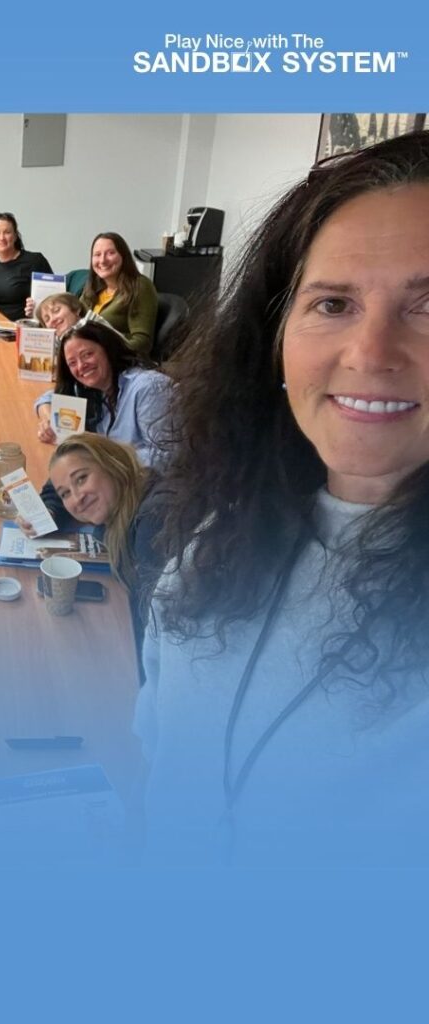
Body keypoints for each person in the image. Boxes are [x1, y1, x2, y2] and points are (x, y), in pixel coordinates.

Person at [135, 131, 429, 865]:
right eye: (333, 303)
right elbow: (158, 746)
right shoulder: (218, 537)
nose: (370, 353)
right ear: (275, 338)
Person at [21, 433, 167, 664]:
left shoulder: (153, 525)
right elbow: (57, 480)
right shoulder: (132, 494)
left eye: (81, 479)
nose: (77, 499)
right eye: (66, 493)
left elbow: (160, 629)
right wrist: (48, 512)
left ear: (111, 464)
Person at [33, 315, 171, 467]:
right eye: (72, 363)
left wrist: (99, 456)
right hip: (105, 475)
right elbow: (46, 398)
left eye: (87, 355)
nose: (80, 366)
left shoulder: (149, 387)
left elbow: (167, 455)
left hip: (141, 485)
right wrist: (47, 420)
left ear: (108, 349)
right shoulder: (94, 387)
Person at [78, 232, 158, 355]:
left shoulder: (139, 286)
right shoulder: (93, 287)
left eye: (110, 253)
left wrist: (102, 351)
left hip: (116, 362)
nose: (103, 260)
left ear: (123, 256)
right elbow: (75, 317)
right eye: (97, 255)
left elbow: (142, 343)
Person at [0, 212, 52, 322]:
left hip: (21, 326)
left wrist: (37, 307)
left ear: (15, 236)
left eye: (7, 232)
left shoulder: (35, 261)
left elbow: (54, 296)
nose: (2, 237)